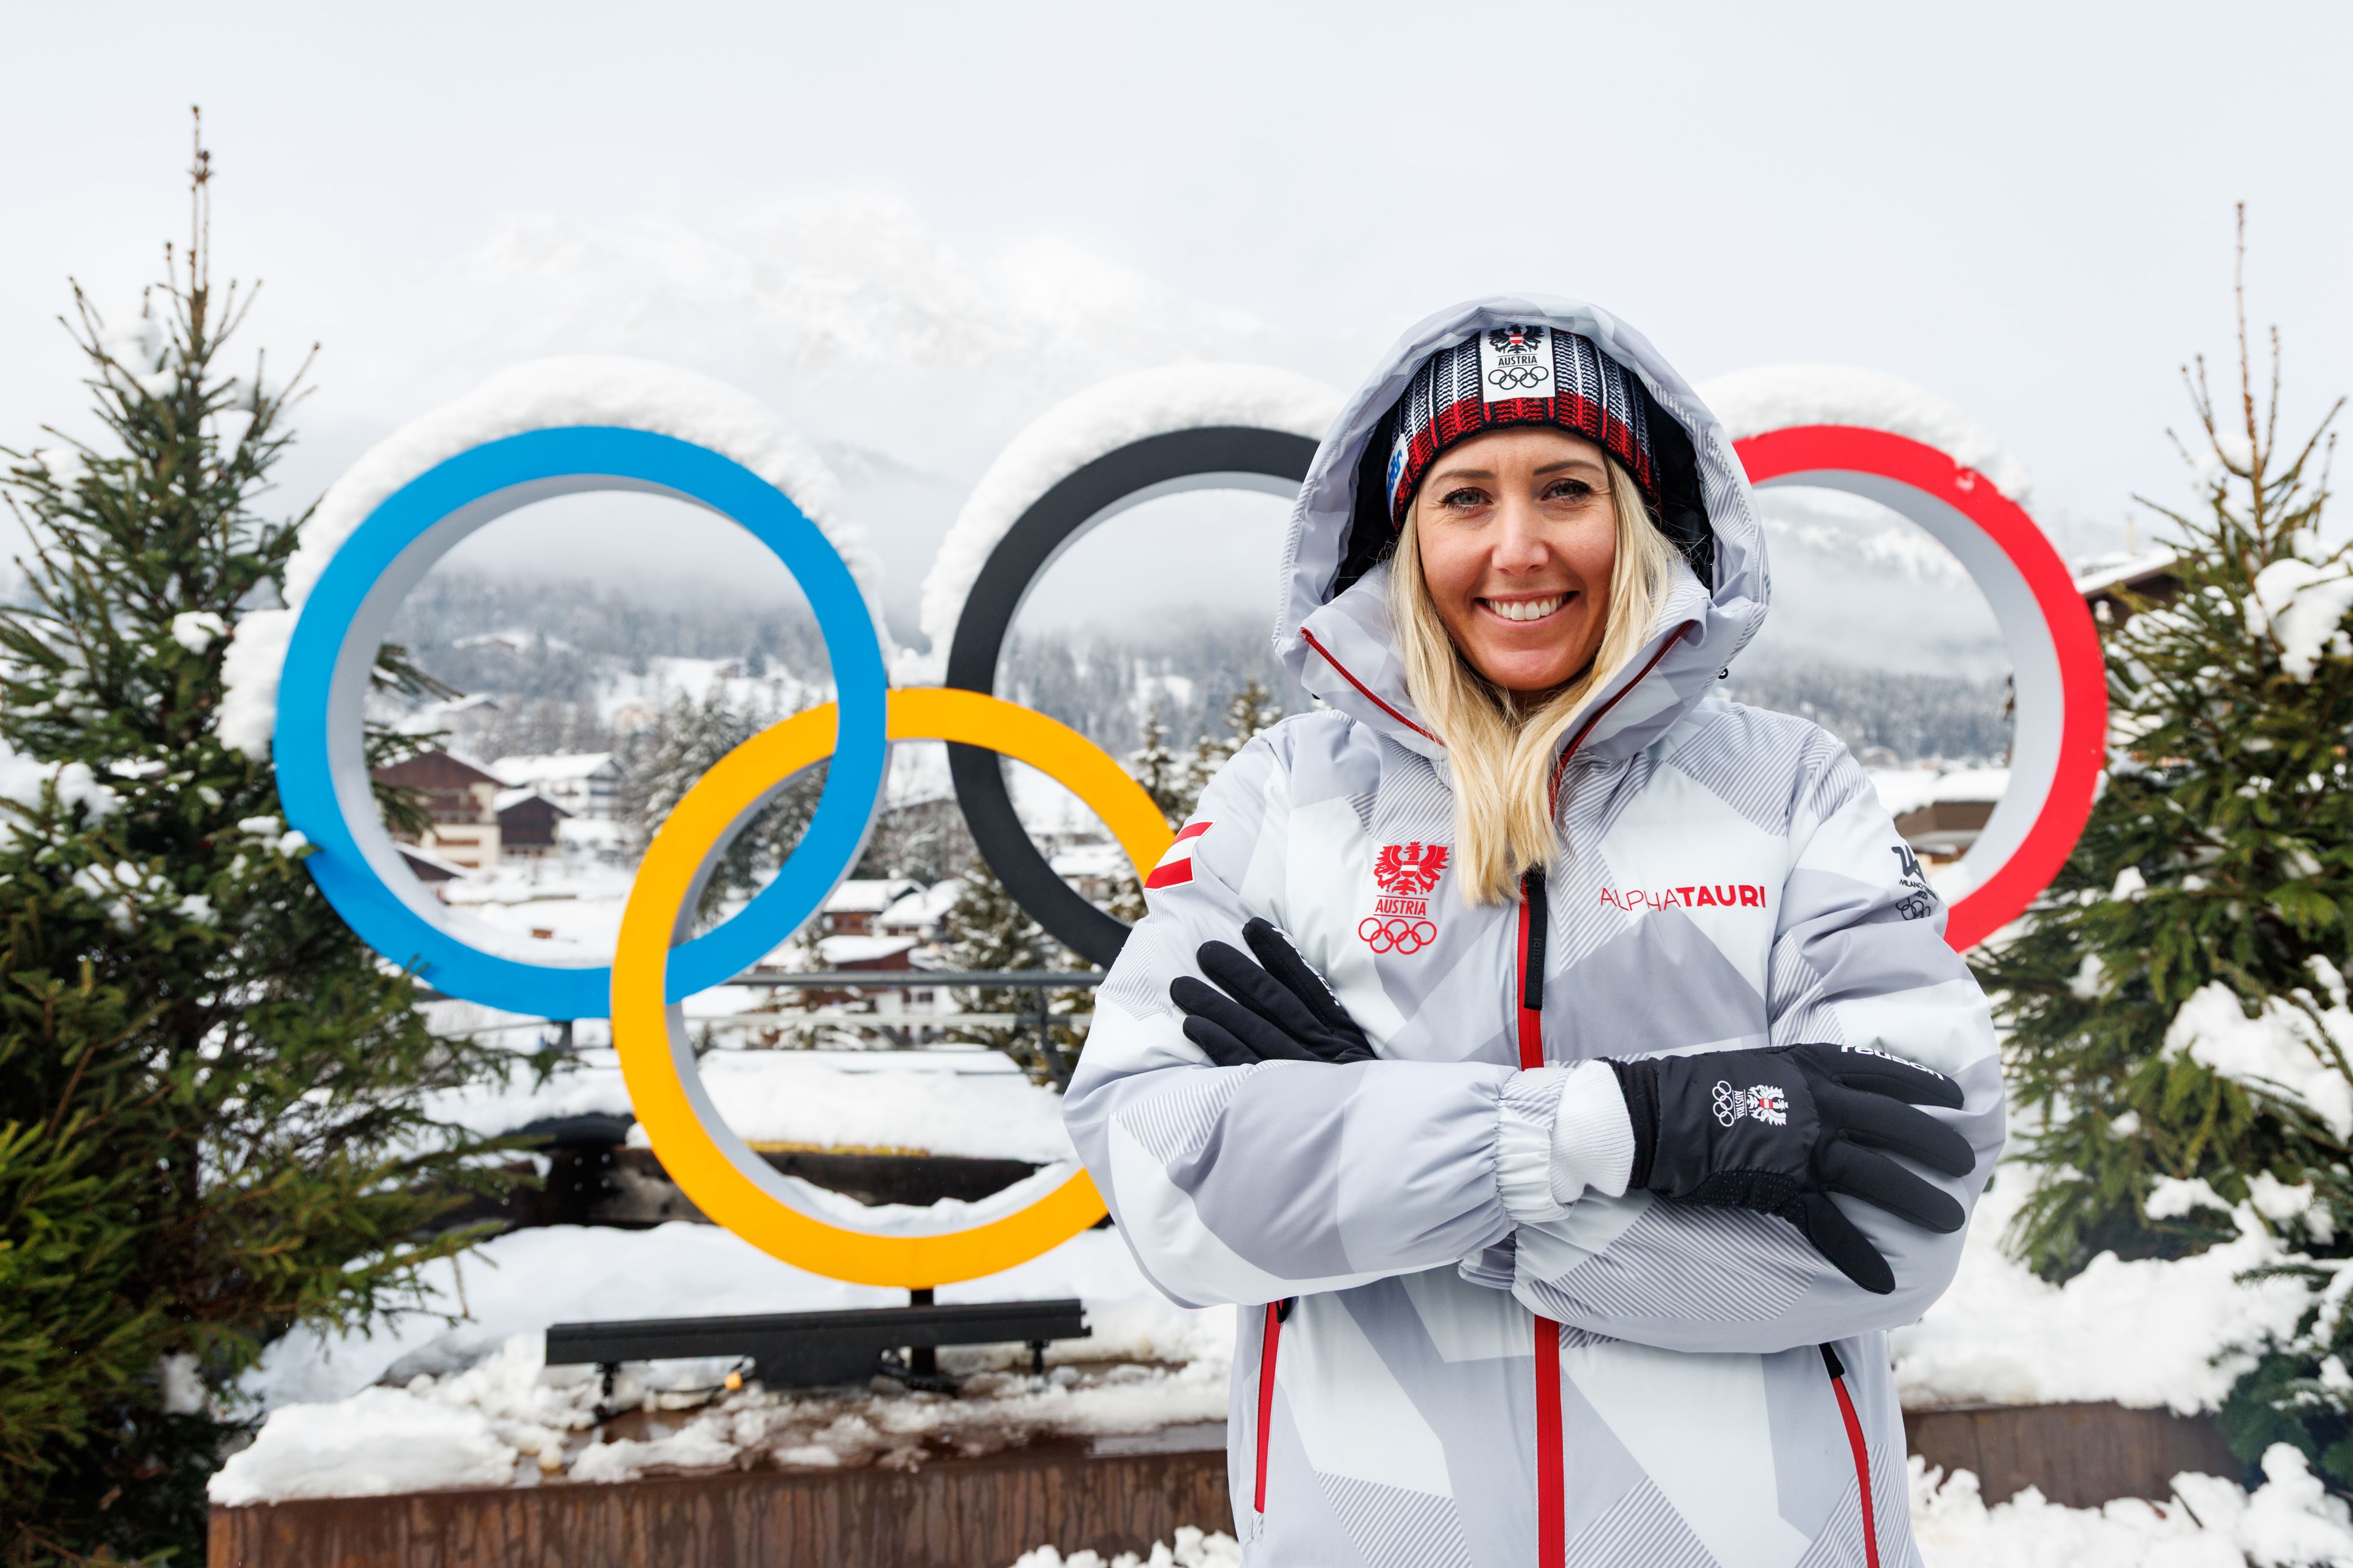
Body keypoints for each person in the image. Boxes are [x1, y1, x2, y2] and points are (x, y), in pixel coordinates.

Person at [1063, 298, 2003, 1568]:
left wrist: (1382, 1157)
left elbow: (1903, 1217)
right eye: (1463, 498)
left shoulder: (1788, 790)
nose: (1517, 549)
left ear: (1638, 517)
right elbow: (1160, 1179)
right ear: (1403, 535)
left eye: (1565, 488)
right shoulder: (1283, 799)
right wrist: (1607, 1132)